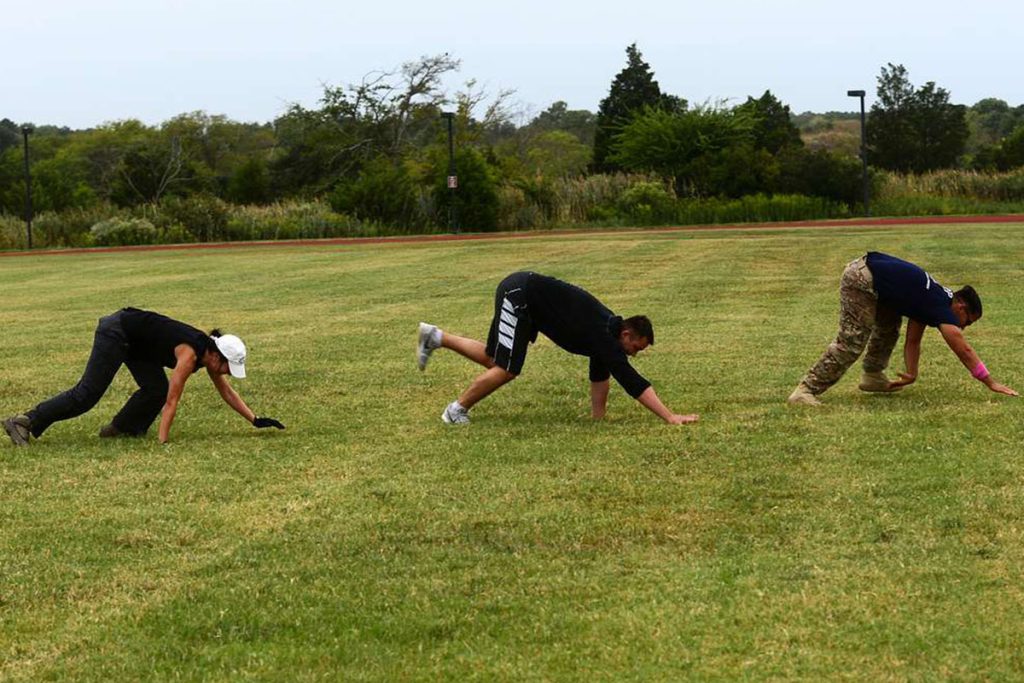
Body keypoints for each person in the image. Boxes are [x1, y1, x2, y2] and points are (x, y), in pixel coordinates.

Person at [416, 271, 699, 425]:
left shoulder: (606, 335)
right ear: (626, 334)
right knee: (507, 369)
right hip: (520, 296)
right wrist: (670, 416)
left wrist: (597, 420)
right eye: (635, 348)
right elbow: (631, 380)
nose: (633, 354)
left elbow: (600, 375)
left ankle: (435, 337)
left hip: (525, 297)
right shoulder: (605, 334)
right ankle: (455, 410)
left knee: (494, 359)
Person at [3, 307, 285, 445]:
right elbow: (172, 403)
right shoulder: (189, 356)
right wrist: (162, 443)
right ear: (216, 356)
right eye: (227, 367)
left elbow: (226, 392)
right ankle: (24, 421)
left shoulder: (207, 354)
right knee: (87, 394)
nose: (226, 373)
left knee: (155, 388)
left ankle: (122, 428)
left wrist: (255, 420)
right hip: (117, 332)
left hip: (137, 344)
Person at [788, 251, 1018, 405]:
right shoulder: (941, 306)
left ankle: (872, 376)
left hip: (874, 279)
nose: (963, 327)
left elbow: (913, 340)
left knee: (889, 327)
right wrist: (991, 382)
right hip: (862, 278)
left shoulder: (934, 301)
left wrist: (912, 372)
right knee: (852, 341)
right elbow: (964, 350)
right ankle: (806, 390)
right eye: (967, 321)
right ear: (960, 305)